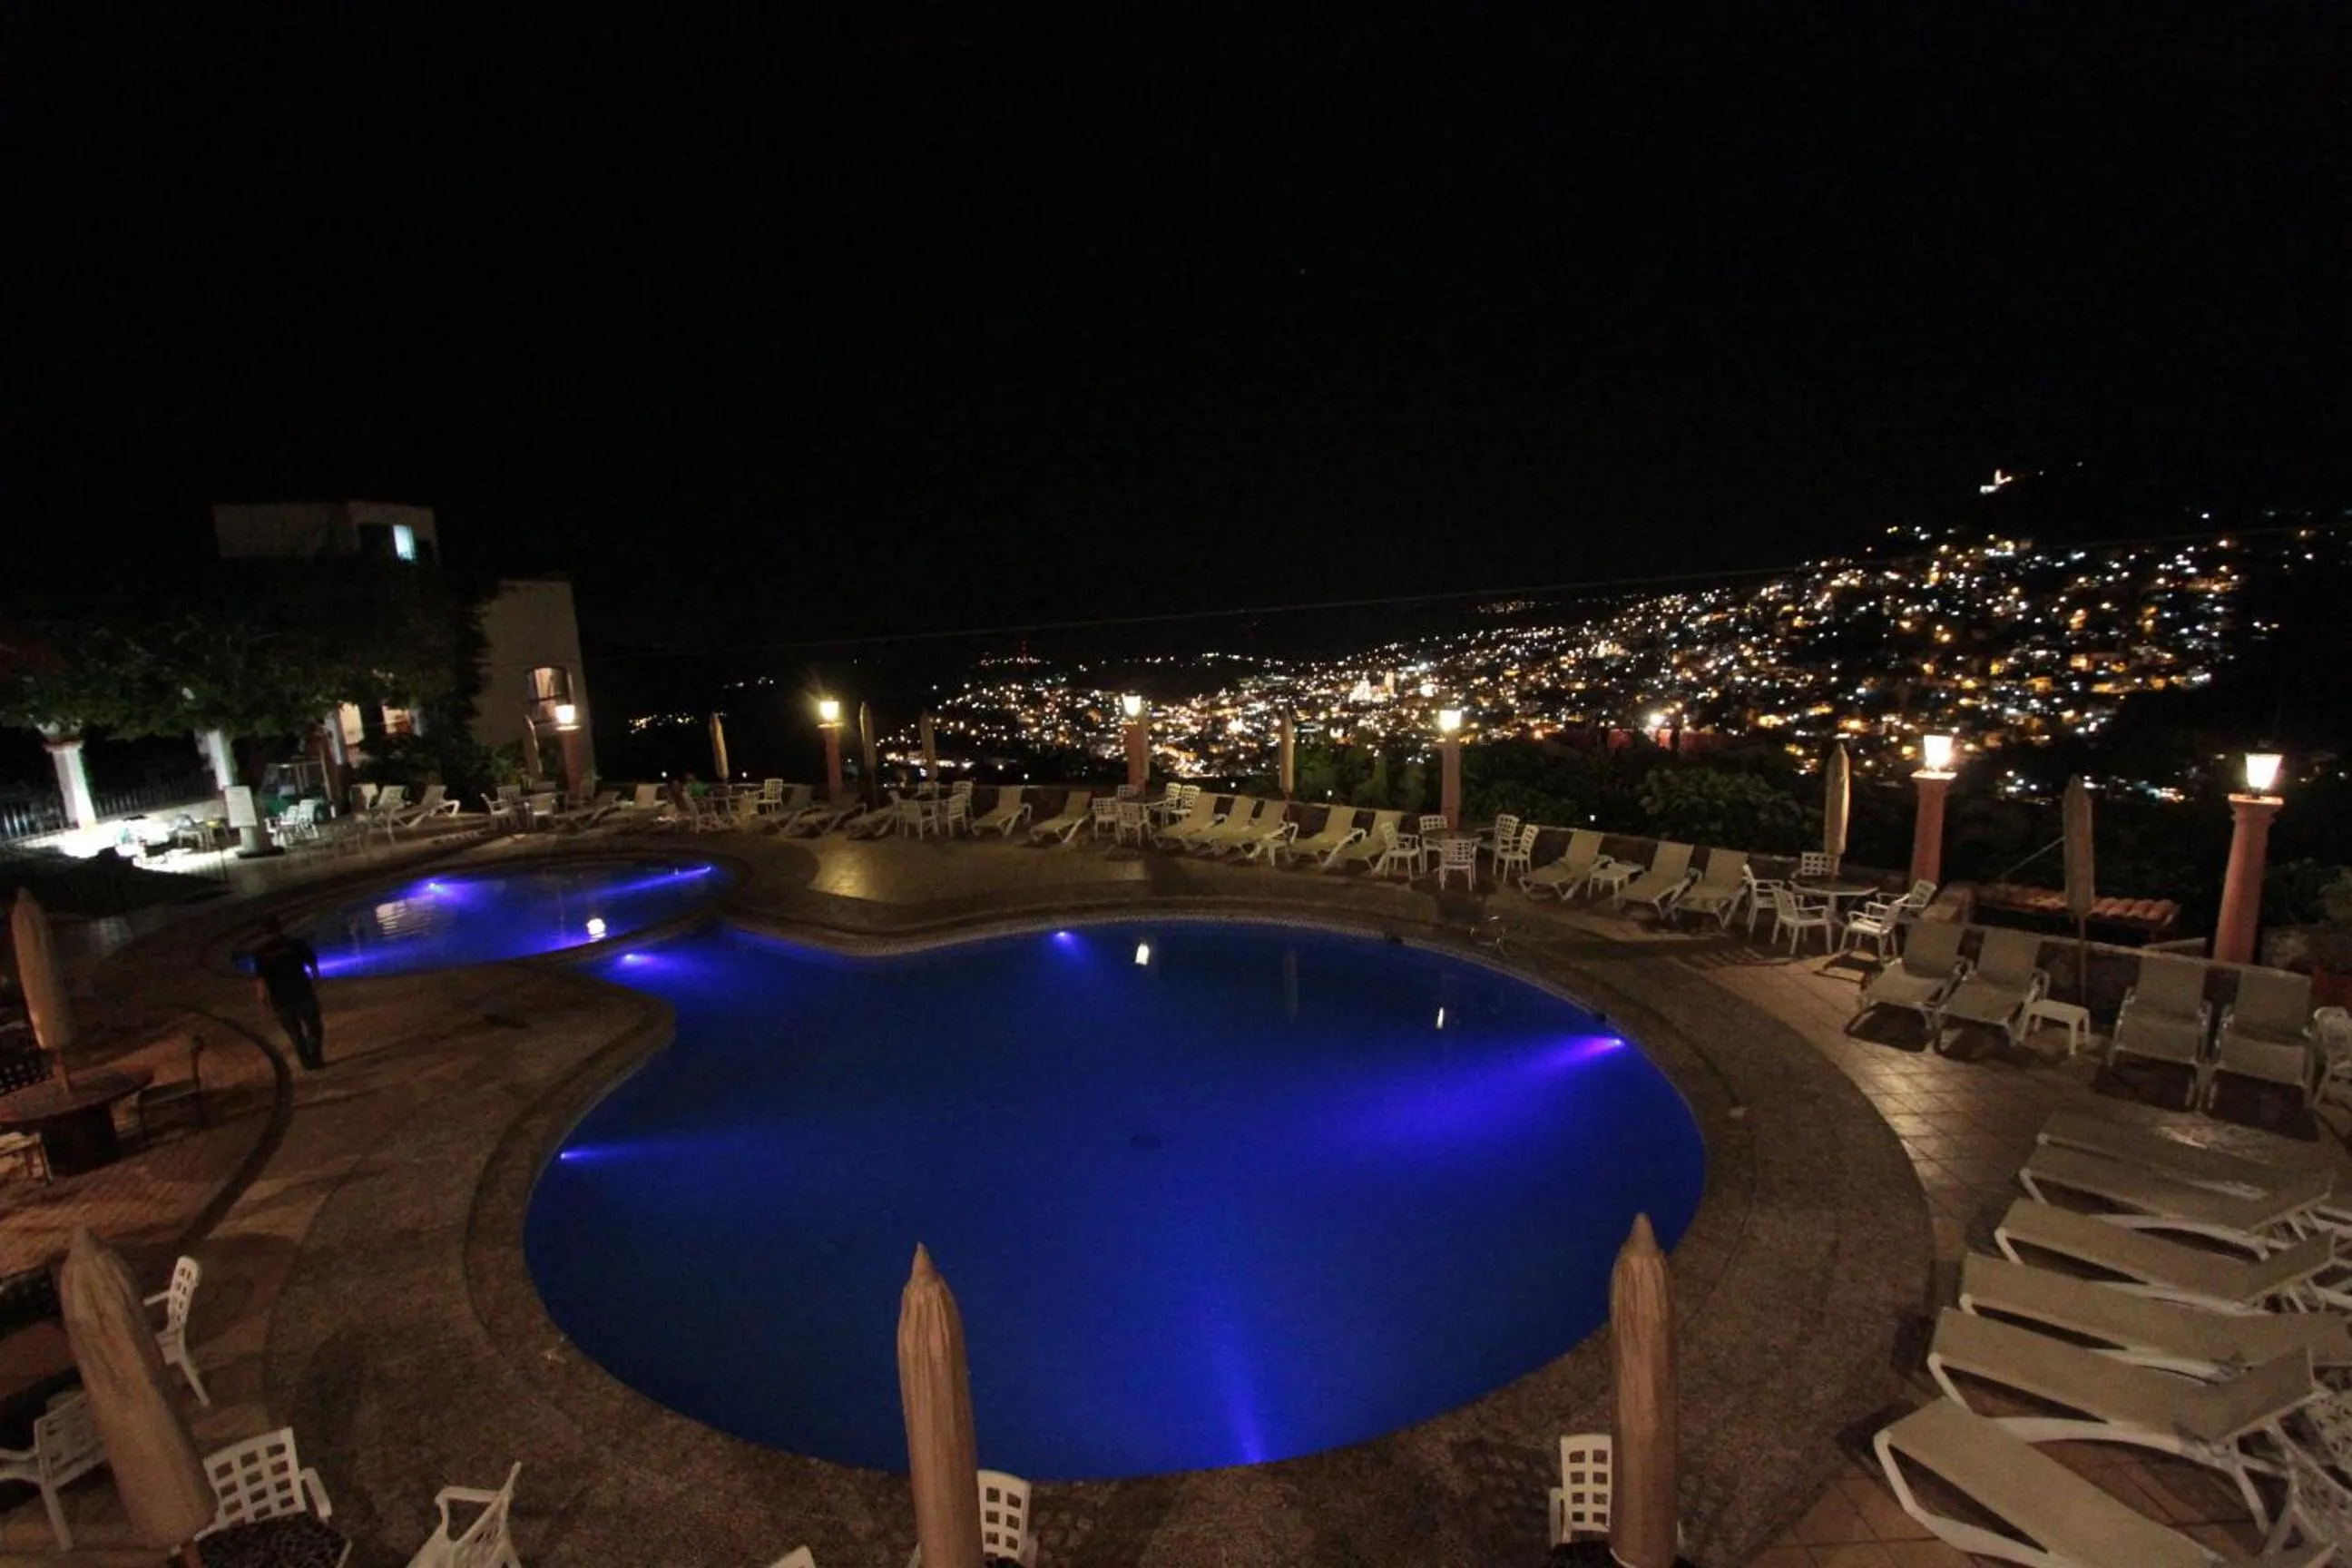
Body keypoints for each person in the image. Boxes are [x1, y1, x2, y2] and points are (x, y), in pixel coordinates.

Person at [237, 915, 326, 1070]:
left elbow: (261, 980)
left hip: (281, 998)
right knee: (314, 1027)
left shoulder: (261, 954)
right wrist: (317, 982)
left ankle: (307, 1062)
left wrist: (262, 1000)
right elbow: (312, 964)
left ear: (263, 933)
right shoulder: (296, 944)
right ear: (280, 928)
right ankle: (316, 1057)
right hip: (302, 991)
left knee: (295, 1033)